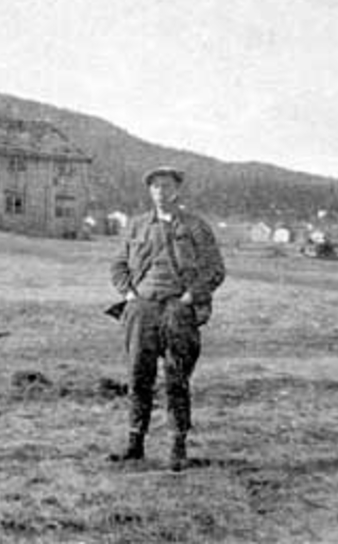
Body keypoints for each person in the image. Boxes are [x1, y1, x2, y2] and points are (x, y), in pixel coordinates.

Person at [108, 166, 225, 472]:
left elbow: (214, 269)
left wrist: (190, 298)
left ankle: (178, 447)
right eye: (155, 187)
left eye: (167, 186)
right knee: (138, 377)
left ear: (177, 191)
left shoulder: (196, 227)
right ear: (150, 192)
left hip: (178, 310)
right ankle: (135, 444)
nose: (161, 192)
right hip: (142, 309)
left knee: (176, 380)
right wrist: (130, 296)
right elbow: (118, 266)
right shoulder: (135, 226)